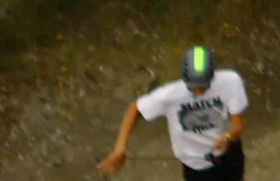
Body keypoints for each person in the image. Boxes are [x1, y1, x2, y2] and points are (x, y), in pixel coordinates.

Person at [96, 46, 247, 179]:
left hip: (230, 155)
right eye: (193, 87)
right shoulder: (170, 95)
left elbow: (237, 125)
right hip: (197, 167)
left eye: (203, 87)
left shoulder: (230, 82)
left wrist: (227, 137)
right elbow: (134, 108)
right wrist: (120, 147)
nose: (198, 92)